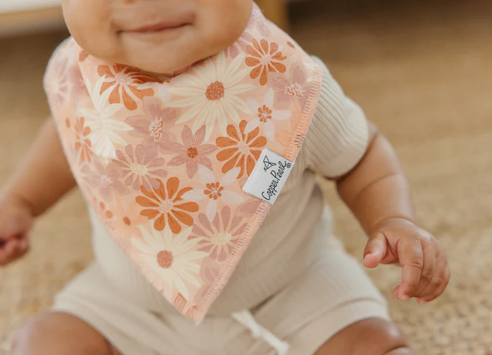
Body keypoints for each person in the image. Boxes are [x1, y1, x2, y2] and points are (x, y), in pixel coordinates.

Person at [0, 1, 449, 354]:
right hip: (131, 308)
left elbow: (361, 155)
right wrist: (20, 201)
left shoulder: (287, 85)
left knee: (373, 344)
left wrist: (392, 220)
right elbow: (67, 140)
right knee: (44, 341)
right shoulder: (82, 81)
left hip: (294, 293)